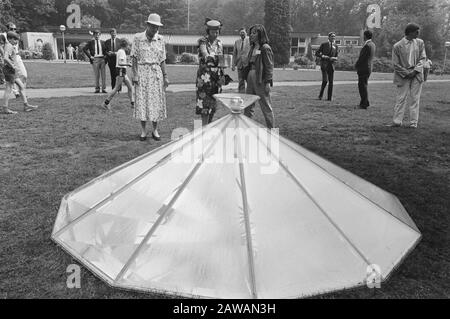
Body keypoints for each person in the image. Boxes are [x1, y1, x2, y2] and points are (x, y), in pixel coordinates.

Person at [131, 13, 169, 141]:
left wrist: (165, 76)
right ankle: (143, 130)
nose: (155, 30)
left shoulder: (160, 39)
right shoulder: (138, 38)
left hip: (156, 73)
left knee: (156, 102)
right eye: (153, 27)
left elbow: (162, 59)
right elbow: (134, 57)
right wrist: (135, 74)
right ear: (148, 25)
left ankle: (155, 130)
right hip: (142, 72)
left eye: (157, 28)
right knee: (142, 101)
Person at [390, 23, 427, 128]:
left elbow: (423, 58)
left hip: (417, 74)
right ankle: (397, 121)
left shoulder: (420, 43)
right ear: (410, 32)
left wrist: (415, 71)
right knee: (401, 98)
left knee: (415, 99)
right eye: (417, 31)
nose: (418, 33)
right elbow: (395, 64)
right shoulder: (397, 46)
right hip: (403, 76)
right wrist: (407, 73)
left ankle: (413, 123)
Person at [244, 24, 275, 129]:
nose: (251, 35)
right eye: (251, 33)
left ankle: (272, 130)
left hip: (260, 78)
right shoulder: (253, 47)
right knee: (248, 104)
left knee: (265, 105)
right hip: (250, 75)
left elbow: (269, 66)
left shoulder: (265, 48)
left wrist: (268, 82)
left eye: (254, 33)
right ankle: (246, 129)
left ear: (260, 34)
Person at [1, 32, 38, 114]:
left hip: (12, 70)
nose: (16, 42)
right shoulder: (9, 46)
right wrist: (12, 66)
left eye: (17, 40)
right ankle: (5, 108)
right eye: (15, 40)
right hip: (9, 70)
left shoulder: (9, 45)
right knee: (9, 88)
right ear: (10, 39)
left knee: (21, 86)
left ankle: (26, 105)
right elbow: (5, 58)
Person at [196, 19, 224, 126]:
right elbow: (204, 53)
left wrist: (222, 74)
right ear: (208, 31)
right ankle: (204, 127)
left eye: (217, 32)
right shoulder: (202, 41)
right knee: (204, 103)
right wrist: (211, 57)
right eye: (213, 32)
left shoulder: (220, 43)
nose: (215, 34)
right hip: (204, 77)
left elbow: (221, 60)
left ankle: (209, 125)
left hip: (216, 78)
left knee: (213, 104)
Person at [102, 38, 135, 110]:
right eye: (128, 45)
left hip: (122, 71)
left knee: (130, 87)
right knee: (116, 88)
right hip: (121, 70)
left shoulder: (121, 51)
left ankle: (133, 104)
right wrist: (128, 64)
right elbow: (120, 63)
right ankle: (105, 103)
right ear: (125, 45)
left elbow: (117, 54)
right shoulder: (122, 52)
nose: (129, 47)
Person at [355, 30, 376, 109]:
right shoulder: (373, 44)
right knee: (364, 85)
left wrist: (356, 65)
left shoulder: (367, 45)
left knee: (362, 86)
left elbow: (362, 58)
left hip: (364, 68)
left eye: (363, 35)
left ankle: (364, 104)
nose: (362, 37)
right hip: (368, 68)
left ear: (365, 36)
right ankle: (364, 102)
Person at [315, 32, 339, 101]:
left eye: (334, 37)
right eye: (332, 36)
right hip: (324, 64)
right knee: (325, 81)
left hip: (331, 65)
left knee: (331, 82)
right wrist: (323, 56)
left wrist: (335, 58)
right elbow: (317, 53)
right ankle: (320, 95)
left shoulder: (336, 46)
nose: (333, 38)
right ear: (328, 37)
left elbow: (336, 56)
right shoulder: (324, 44)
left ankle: (329, 98)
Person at [232, 27, 250, 93]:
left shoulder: (250, 40)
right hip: (239, 64)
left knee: (249, 81)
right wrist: (233, 64)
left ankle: (249, 94)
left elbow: (255, 50)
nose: (242, 33)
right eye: (241, 32)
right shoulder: (237, 42)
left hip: (248, 64)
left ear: (246, 33)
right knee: (241, 81)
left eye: (243, 32)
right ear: (239, 33)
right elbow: (234, 54)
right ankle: (241, 94)